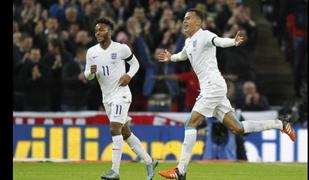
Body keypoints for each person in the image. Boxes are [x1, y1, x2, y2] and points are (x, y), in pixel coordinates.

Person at [157, 9, 295, 179]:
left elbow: (219, 41)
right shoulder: (188, 42)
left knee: (190, 124)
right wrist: (171, 58)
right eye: (184, 19)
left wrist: (233, 41)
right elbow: (183, 56)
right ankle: (280, 124)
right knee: (238, 128)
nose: (184, 21)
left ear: (198, 22)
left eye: (188, 18)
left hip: (212, 87)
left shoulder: (205, 35)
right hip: (213, 88)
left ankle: (181, 171)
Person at [84, 18, 158, 180]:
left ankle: (115, 171)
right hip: (107, 98)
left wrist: (129, 75)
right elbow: (87, 75)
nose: (98, 33)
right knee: (125, 133)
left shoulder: (121, 49)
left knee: (114, 129)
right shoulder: (91, 52)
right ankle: (149, 161)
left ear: (109, 31)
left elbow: (136, 64)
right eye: (96, 30)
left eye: (102, 30)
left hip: (122, 94)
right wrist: (90, 72)